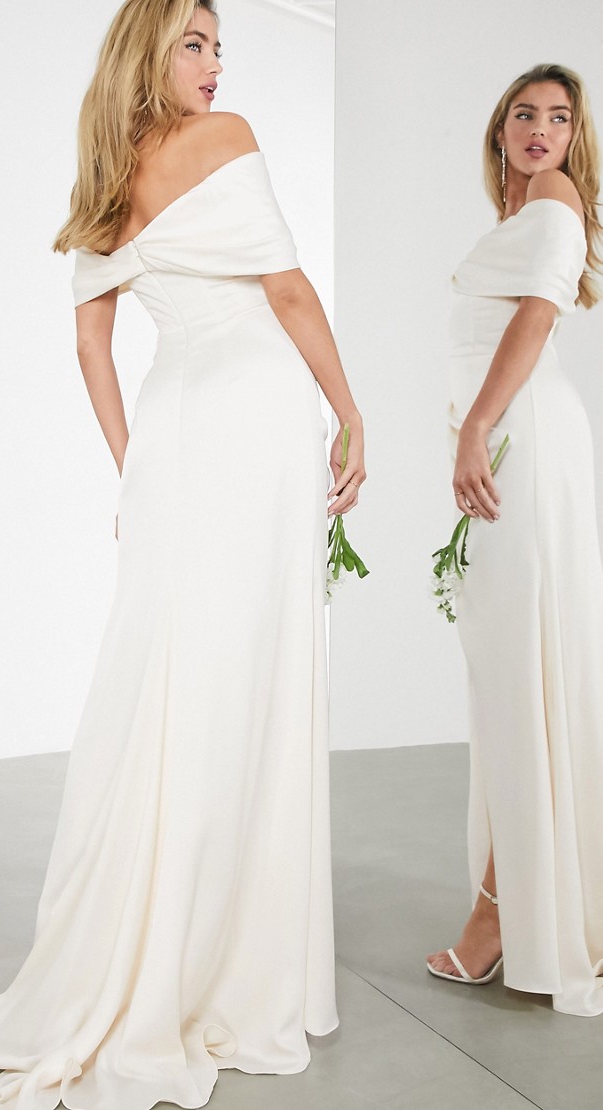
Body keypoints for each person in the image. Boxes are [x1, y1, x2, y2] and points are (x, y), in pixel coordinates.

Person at [0, 1, 364, 1106]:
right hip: (255, 415)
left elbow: (92, 342)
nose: (216, 66)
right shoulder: (226, 140)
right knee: (248, 678)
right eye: (195, 43)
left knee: (170, 682)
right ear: (150, 49)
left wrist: (135, 469)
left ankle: (150, 942)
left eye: (221, 47)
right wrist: (351, 411)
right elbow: (286, 291)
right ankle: (228, 957)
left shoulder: (103, 180)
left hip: (176, 428)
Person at [426, 63, 603, 1016]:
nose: (542, 130)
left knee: (520, 675)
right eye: (526, 114)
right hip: (515, 441)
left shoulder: (557, 198)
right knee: (512, 672)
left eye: (560, 118)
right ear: (500, 129)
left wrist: (476, 427)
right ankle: (522, 905)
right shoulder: (522, 212)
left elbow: (536, 319)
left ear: (575, 138)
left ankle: (500, 919)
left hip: (523, 441)